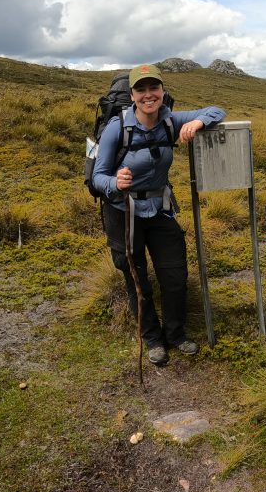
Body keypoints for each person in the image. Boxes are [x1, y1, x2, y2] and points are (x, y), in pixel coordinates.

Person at [92, 64, 226, 366]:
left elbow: (218, 110)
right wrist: (115, 183)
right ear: (132, 95)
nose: (149, 95)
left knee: (175, 275)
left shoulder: (170, 120)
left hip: (160, 210)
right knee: (136, 276)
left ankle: (176, 334)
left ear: (162, 92)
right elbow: (97, 177)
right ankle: (152, 338)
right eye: (142, 89)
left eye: (154, 88)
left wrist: (199, 123)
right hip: (124, 212)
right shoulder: (118, 128)